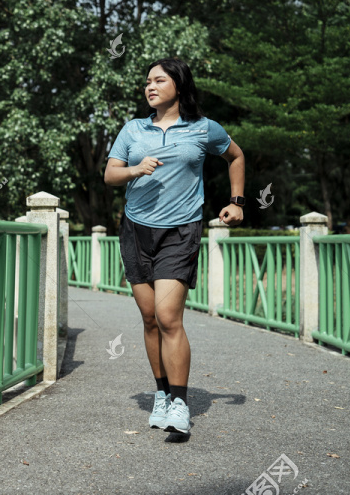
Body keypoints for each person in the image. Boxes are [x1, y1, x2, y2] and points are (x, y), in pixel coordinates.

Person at [103, 58, 245, 434]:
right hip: (136, 230)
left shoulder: (203, 129)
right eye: (147, 81)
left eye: (159, 80)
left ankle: (180, 405)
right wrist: (135, 169)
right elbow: (110, 173)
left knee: (168, 318)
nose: (150, 86)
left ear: (178, 86)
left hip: (180, 230)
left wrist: (238, 202)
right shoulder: (133, 129)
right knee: (150, 318)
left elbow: (236, 156)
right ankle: (161, 394)